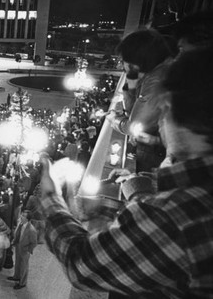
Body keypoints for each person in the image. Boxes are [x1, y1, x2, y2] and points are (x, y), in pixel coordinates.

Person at [41, 48, 213, 298]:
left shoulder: (172, 216)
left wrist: (50, 197)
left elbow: (82, 266)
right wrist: (139, 187)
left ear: (167, 107)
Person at [109, 29, 174, 172]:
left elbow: (136, 124)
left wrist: (115, 120)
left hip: (157, 157)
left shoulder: (156, 80)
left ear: (134, 60)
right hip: (157, 152)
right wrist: (131, 85)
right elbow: (135, 114)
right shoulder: (155, 73)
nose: (122, 66)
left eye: (123, 60)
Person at [8, 210, 37, 290]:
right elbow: (18, 234)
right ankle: (16, 276)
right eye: (22, 215)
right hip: (18, 246)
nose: (21, 216)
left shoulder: (31, 230)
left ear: (27, 219)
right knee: (17, 262)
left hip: (25, 250)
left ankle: (22, 283)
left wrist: (28, 250)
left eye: (23, 216)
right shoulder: (21, 224)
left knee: (24, 266)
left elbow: (34, 242)